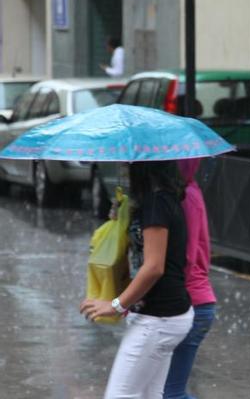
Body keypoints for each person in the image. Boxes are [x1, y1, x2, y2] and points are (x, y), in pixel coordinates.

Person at [80, 161, 194, 399]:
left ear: (143, 165)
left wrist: (116, 305)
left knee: (119, 396)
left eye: (128, 163)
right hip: (162, 315)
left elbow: (153, 267)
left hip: (158, 317)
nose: (123, 167)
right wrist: (120, 217)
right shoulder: (156, 201)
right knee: (148, 395)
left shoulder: (156, 204)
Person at [163, 159, 217, 399]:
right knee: (168, 392)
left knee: (170, 393)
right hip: (194, 302)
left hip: (192, 303)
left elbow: (186, 256)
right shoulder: (185, 193)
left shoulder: (187, 197)